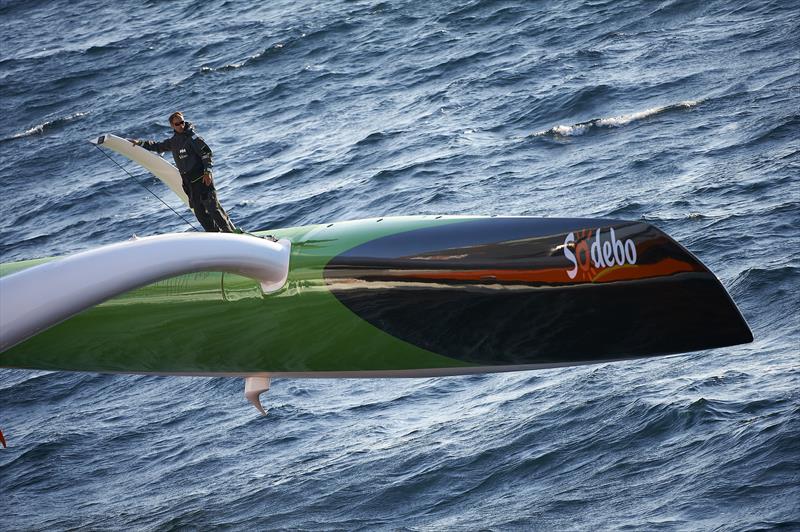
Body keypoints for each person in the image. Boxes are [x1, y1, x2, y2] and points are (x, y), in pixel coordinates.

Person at [129, 112, 236, 232]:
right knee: (200, 215)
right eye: (177, 124)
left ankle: (230, 234)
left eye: (182, 122)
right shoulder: (173, 141)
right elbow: (158, 146)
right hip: (190, 185)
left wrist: (208, 172)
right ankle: (216, 236)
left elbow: (207, 153)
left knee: (213, 209)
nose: (181, 125)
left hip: (203, 180)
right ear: (172, 126)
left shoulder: (193, 138)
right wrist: (140, 143)